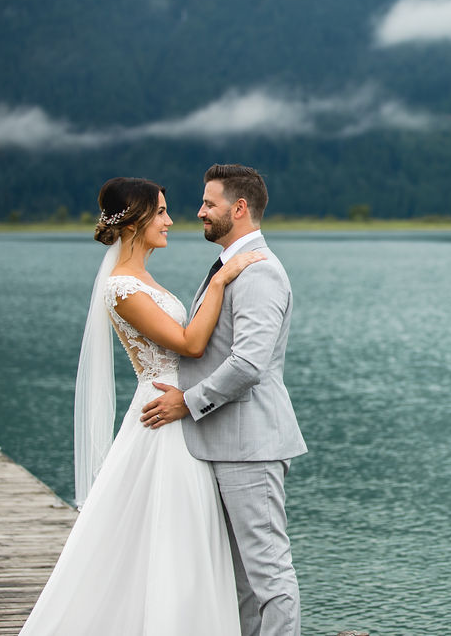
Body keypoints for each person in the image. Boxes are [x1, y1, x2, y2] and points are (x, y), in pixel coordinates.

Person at [20, 177, 264, 635]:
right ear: (133, 220)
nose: (171, 221)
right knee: (174, 532)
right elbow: (191, 344)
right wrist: (222, 278)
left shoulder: (145, 279)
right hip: (163, 419)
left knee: (184, 535)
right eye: (161, 212)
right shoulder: (122, 288)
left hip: (180, 410)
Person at [141, 163, 308, 636]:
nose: (199, 213)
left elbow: (249, 365)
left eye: (208, 204)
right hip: (227, 443)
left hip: (250, 446)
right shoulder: (230, 266)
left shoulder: (259, 272)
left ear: (238, 208)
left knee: (268, 575)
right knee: (241, 583)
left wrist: (186, 403)